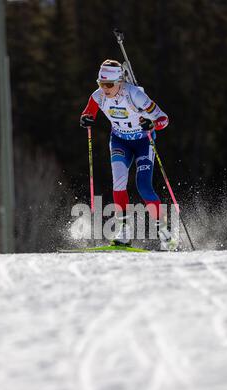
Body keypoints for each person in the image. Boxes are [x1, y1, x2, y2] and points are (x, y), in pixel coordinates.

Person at [80, 59, 176, 250]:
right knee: (119, 182)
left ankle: (165, 232)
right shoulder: (98, 96)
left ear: (119, 82)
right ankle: (124, 231)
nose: (104, 88)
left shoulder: (135, 95)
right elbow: (87, 113)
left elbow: (163, 119)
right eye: (101, 83)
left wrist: (152, 124)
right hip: (119, 142)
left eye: (109, 84)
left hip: (143, 142)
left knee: (144, 187)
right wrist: (85, 119)